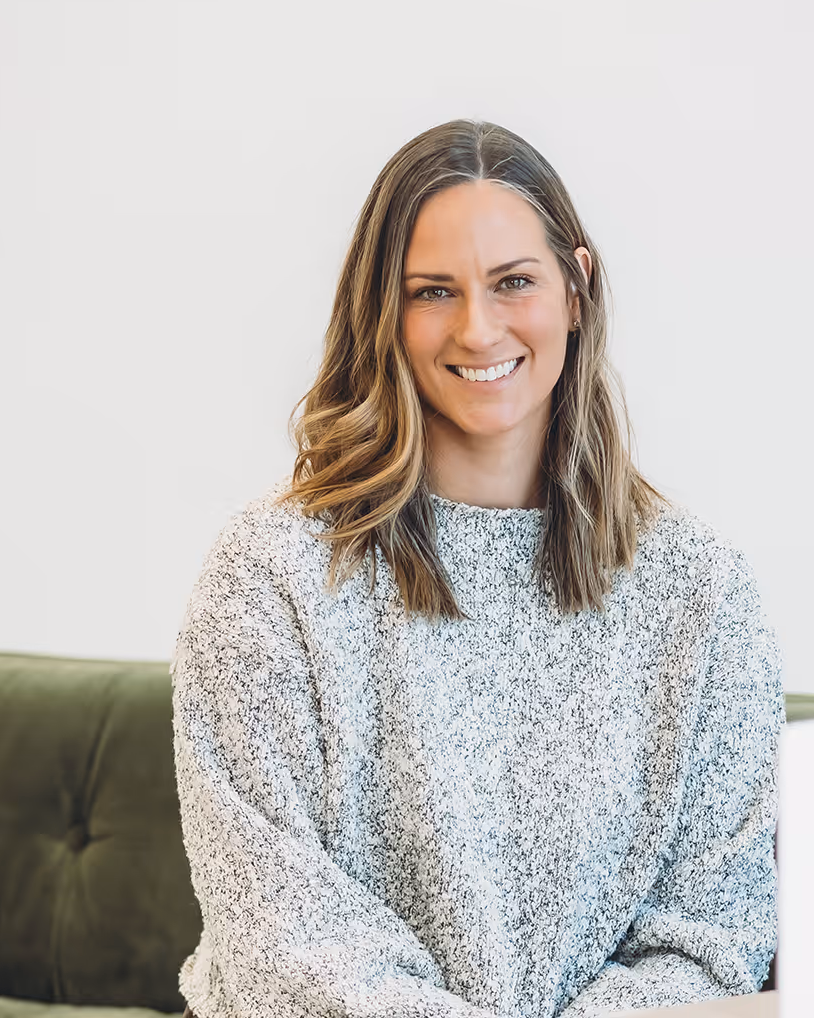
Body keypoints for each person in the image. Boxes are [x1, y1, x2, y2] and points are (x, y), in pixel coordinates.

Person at [170, 118, 783, 1018]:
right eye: (431, 291)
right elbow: (286, 950)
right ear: (382, 310)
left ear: (578, 290)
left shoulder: (702, 593)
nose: (477, 326)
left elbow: (713, 935)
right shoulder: (269, 575)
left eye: (514, 282)